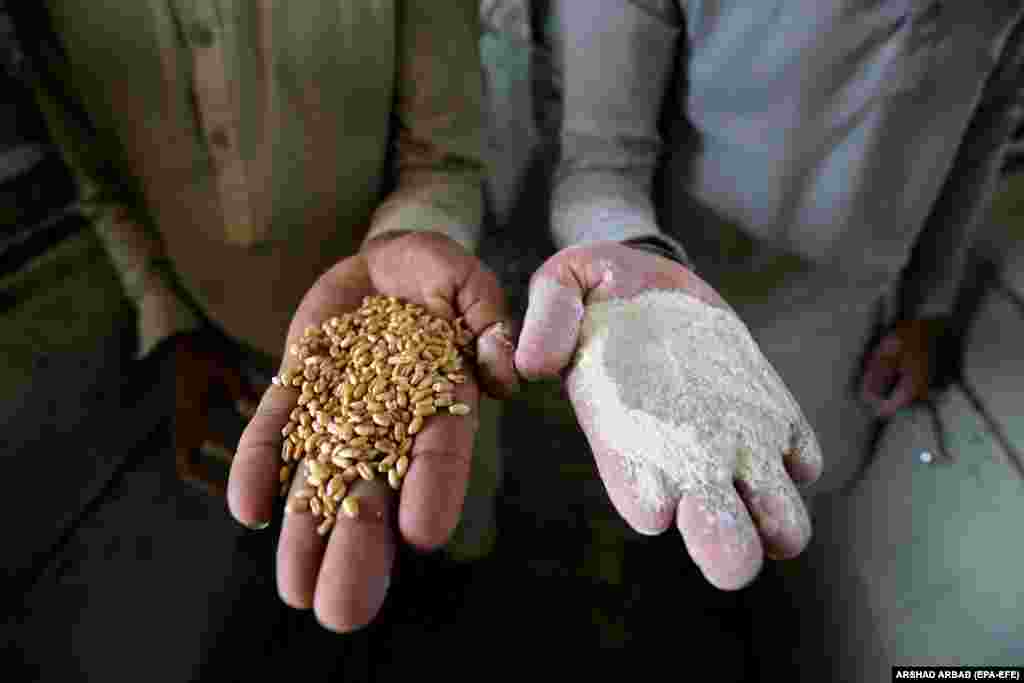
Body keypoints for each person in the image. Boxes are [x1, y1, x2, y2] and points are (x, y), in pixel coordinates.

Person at [13, 0, 519, 634]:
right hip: (236, 346)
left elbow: (443, 159)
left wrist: (408, 238)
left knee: (446, 543)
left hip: (415, 302)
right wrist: (171, 322)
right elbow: (99, 179)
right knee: (297, 541)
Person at [512, 0, 1024, 591]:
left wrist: (926, 306)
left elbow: (980, 134)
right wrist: (629, 257)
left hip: (849, 317)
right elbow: (597, 157)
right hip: (672, 298)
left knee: (771, 514)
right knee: (633, 515)